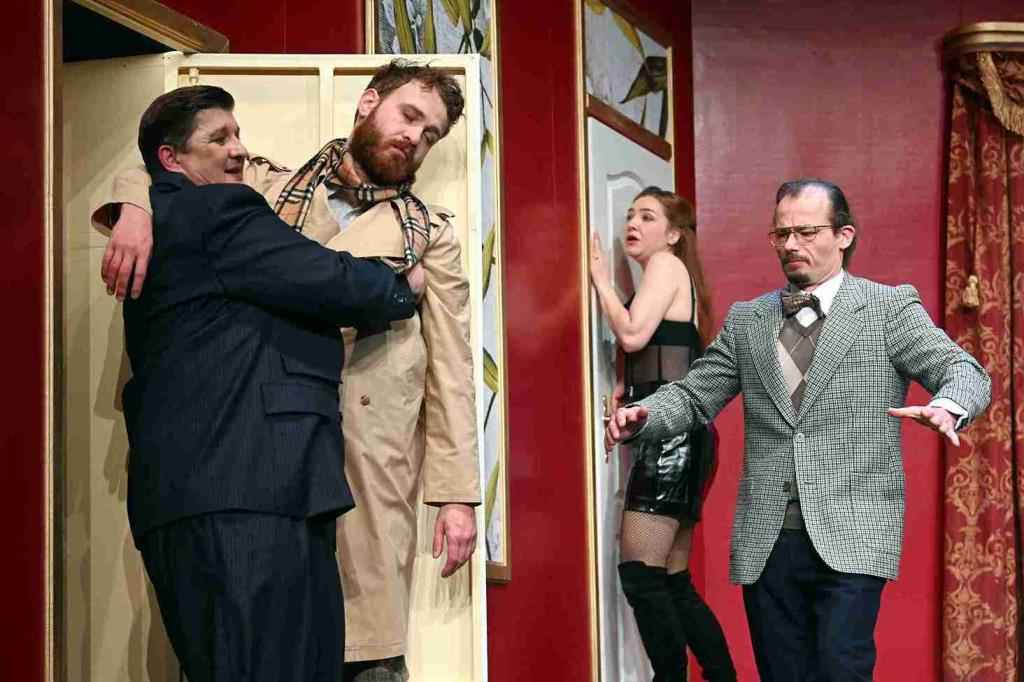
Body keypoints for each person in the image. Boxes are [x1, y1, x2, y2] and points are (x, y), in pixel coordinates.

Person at [92, 60, 481, 682]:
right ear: (368, 103)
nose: (415, 137)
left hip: (367, 460)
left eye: (430, 133)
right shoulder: (264, 183)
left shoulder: (428, 234)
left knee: (363, 652)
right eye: (409, 116)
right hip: (261, 449)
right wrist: (134, 212)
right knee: (255, 645)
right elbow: (161, 163)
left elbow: (453, 369)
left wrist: (456, 495)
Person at [605, 179, 992, 681]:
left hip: (853, 532)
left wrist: (948, 405)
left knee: (841, 671)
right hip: (767, 539)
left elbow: (963, 371)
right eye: (781, 233)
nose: (791, 244)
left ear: (844, 235)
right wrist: (645, 414)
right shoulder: (748, 319)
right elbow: (694, 394)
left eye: (806, 232)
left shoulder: (888, 309)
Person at [590, 187, 735, 681]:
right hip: (685, 436)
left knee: (641, 575)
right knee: (672, 582)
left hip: (673, 440)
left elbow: (632, 334)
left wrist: (601, 281)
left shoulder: (665, 266)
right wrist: (622, 386)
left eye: (648, 217)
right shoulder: (674, 275)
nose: (633, 223)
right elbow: (658, 355)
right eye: (631, 214)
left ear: (673, 235)